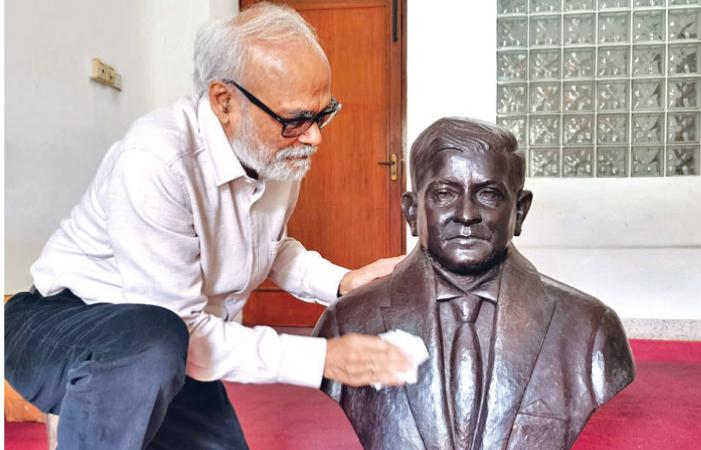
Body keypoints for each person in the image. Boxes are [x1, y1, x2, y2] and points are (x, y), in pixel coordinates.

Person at [4, 3, 411, 449]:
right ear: (224, 102)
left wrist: (341, 281)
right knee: (152, 344)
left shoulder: (274, 154)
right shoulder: (156, 159)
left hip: (167, 348)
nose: (314, 137)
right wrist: (323, 358)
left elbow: (267, 246)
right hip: (63, 323)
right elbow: (180, 327)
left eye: (323, 113)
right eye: (296, 120)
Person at [314, 117, 635, 450]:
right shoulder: (346, 324)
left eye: (489, 195)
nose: (466, 215)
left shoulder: (590, 331)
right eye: (444, 194)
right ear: (411, 212)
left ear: (520, 211)